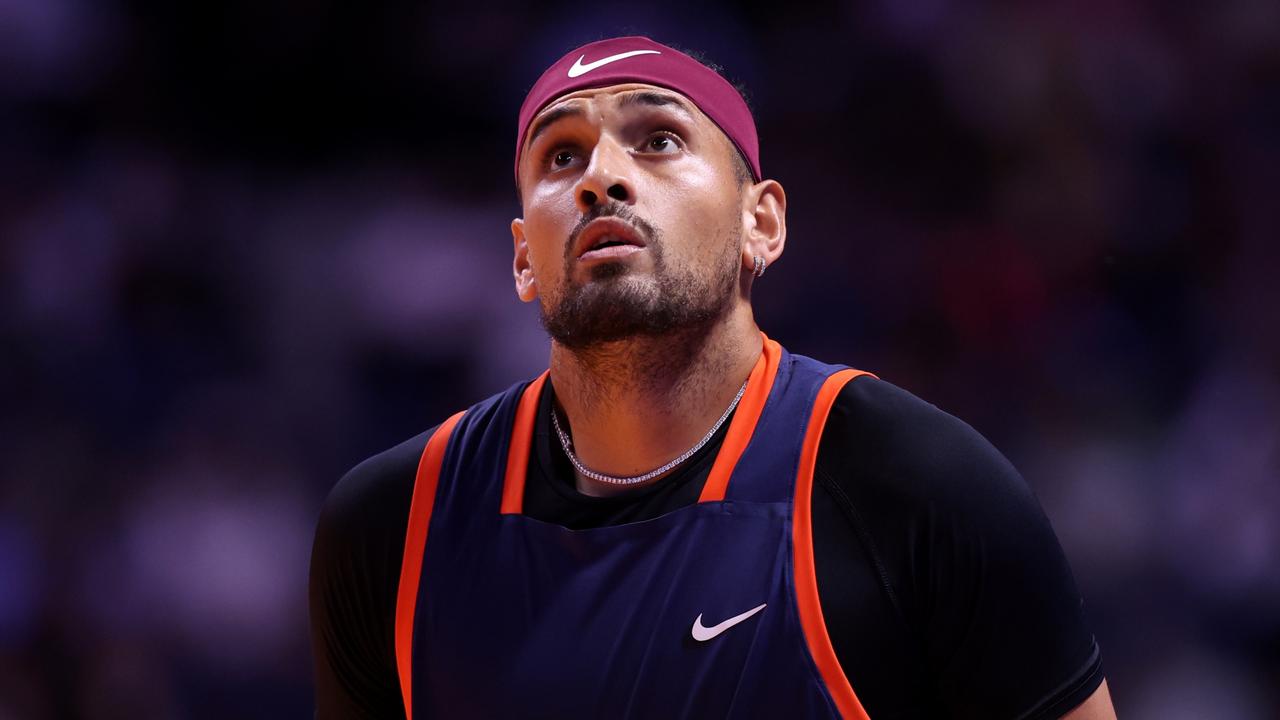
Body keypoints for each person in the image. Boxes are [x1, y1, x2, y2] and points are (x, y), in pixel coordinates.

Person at [309, 35, 1116, 719]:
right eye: (561, 155)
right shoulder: (394, 525)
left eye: (658, 139)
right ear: (525, 259)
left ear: (759, 224)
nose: (601, 176)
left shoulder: (917, 487)